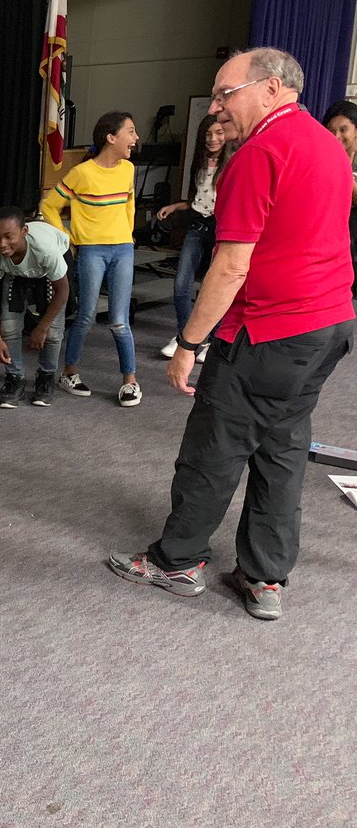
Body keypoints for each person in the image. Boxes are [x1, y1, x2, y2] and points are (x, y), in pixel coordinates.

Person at [108, 47, 355, 620]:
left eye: (226, 93)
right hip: (330, 326)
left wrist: (189, 344)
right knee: (283, 447)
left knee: (213, 449)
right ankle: (264, 576)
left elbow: (230, 265)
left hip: (269, 331)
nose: (217, 108)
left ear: (270, 89)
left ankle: (175, 562)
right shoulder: (327, 143)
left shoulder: (258, 153)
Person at [40, 111, 142, 406]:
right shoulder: (82, 173)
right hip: (92, 250)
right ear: (111, 138)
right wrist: (66, 239)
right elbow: (49, 206)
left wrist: (128, 234)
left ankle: (130, 382)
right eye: (130, 132)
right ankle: (69, 372)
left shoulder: (128, 170)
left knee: (120, 320)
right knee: (85, 315)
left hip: (123, 248)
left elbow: (129, 205)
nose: (135, 139)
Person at [156, 114, 234, 360]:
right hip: (197, 224)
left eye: (219, 133)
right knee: (181, 283)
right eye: (209, 134)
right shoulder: (199, 162)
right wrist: (176, 207)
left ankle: (212, 338)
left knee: (214, 285)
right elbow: (195, 199)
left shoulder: (233, 161)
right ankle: (184, 336)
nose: (213, 139)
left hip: (220, 226)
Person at [0, 206, 70, 407]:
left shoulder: (46, 250)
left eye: (8, 237)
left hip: (48, 270)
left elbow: (62, 291)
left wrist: (41, 327)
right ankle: (15, 378)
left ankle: (46, 377)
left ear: (24, 232)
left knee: (53, 333)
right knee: (9, 329)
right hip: (15, 271)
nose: (1, 244)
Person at [321, 99, 357, 297]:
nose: (336, 136)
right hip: (331, 252)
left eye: (343, 130)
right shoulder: (322, 160)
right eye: (330, 130)